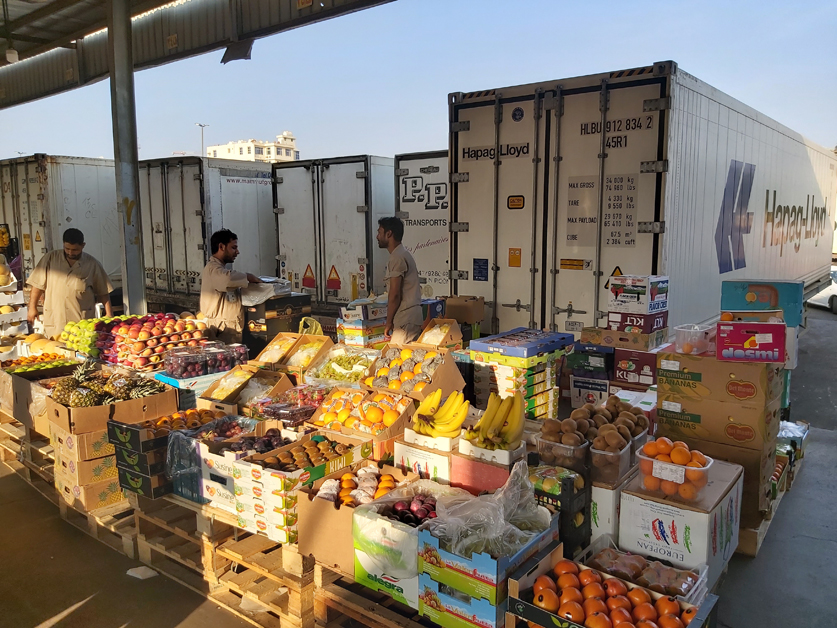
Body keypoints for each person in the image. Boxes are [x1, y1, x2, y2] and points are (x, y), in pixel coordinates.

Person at [27, 228, 113, 339]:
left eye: (75, 250)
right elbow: (37, 285)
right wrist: (32, 307)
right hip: (56, 322)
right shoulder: (50, 259)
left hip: (81, 324)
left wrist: (109, 313)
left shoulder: (92, 264)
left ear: (83, 245)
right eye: (67, 248)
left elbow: (103, 291)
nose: (70, 253)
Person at [200, 229, 262, 344]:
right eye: (233, 247)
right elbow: (227, 280)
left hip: (228, 328)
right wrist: (248, 277)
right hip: (221, 329)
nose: (237, 252)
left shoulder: (221, 269)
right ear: (221, 247)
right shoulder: (213, 269)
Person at [377, 216, 423, 344]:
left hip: (406, 319)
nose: (377, 236)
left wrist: (389, 322)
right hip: (409, 318)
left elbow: (395, 294)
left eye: (379, 232)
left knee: (396, 357)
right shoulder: (402, 254)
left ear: (389, 234)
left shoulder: (397, 257)